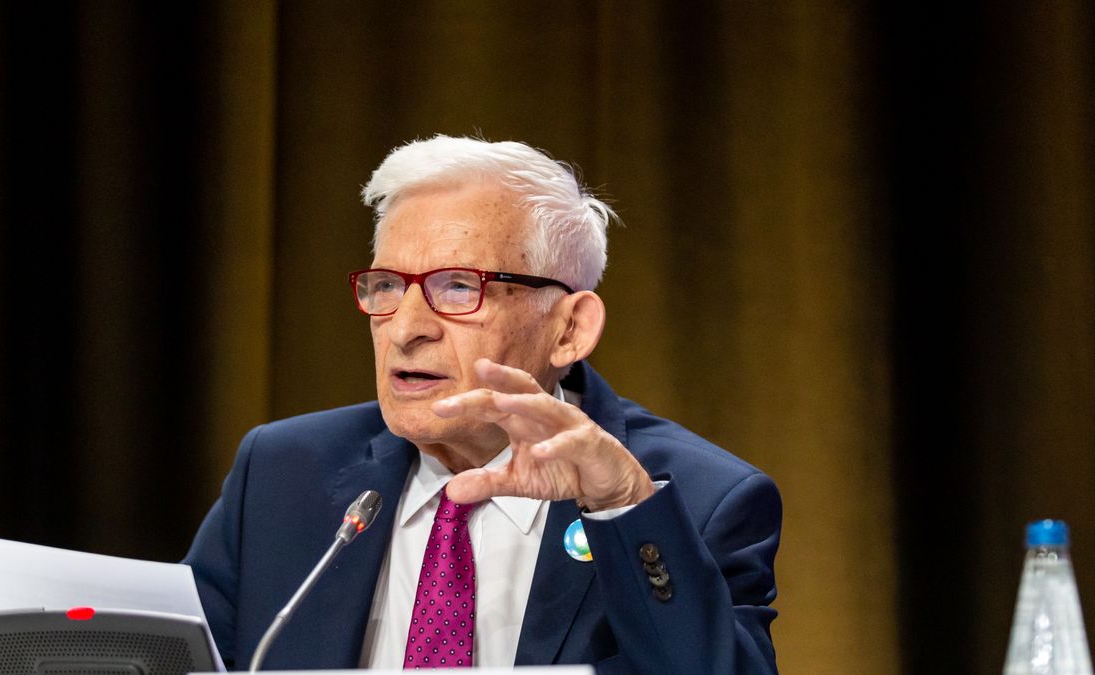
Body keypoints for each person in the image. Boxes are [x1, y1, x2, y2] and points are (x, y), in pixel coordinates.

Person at [183, 135, 782, 673]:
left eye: (459, 287)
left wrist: (621, 506)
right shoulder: (283, 472)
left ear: (569, 329)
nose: (405, 329)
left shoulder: (697, 502)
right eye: (387, 285)